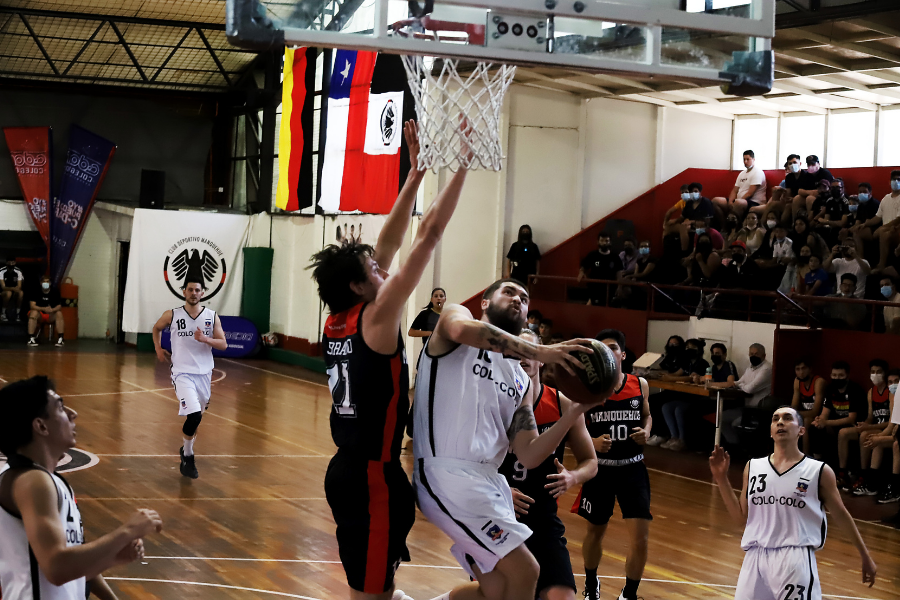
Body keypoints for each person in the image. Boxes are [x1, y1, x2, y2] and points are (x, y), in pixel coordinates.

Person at [308, 121, 468, 600]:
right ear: (360, 286)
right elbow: (429, 234)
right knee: (371, 593)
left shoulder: (341, 318)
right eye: (374, 270)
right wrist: (462, 164)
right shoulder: (377, 318)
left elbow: (390, 244)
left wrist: (417, 173)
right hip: (371, 476)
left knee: (381, 584)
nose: (384, 267)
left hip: (351, 469)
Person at [413, 278, 600, 600]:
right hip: (447, 474)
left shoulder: (520, 379)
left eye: (524, 298)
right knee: (526, 571)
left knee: (497, 590)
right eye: (509, 292)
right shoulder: (456, 321)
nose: (518, 299)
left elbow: (528, 454)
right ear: (485, 302)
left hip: (488, 483)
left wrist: (574, 412)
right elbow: (459, 329)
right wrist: (542, 350)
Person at [0, 376, 164, 599]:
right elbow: (56, 567)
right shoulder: (32, 482)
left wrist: (112, 557)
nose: (72, 414)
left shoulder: (48, 479)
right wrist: (127, 531)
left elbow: (69, 563)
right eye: (60, 407)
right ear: (41, 426)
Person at [709, 407, 877, 599]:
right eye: (775, 419)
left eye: (787, 418)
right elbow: (740, 518)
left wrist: (864, 555)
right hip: (755, 557)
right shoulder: (753, 467)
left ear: (801, 430)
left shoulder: (818, 471)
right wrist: (721, 478)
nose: (780, 422)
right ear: (771, 431)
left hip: (794, 559)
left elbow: (841, 514)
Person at [500, 329, 598, 600]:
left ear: (542, 358)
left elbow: (591, 461)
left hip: (543, 519)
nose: (523, 357)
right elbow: (468, 463)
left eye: (530, 351)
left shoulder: (561, 404)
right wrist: (498, 489)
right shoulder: (493, 402)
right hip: (497, 515)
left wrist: (573, 477)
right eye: (516, 350)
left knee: (562, 595)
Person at [575, 329, 652, 600]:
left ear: (622, 353)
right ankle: (592, 582)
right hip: (601, 469)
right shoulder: (588, 387)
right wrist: (592, 442)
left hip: (633, 467)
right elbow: (575, 425)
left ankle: (628, 594)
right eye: (602, 348)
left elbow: (647, 415)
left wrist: (647, 432)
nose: (607, 352)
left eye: (612, 347)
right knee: (595, 532)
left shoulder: (639, 384)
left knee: (640, 538)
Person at [151, 278, 227, 479]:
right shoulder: (172, 314)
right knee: (193, 415)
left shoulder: (211, 316)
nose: (194, 293)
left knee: (197, 417)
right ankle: (188, 455)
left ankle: (186, 449)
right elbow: (156, 328)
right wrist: (158, 347)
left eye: (197, 290)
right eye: (190, 289)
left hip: (204, 374)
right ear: (184, 291)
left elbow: (223, 344)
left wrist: (205, 339)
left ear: (203, 293)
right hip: (182, 373)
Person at [662, 343, 738, 452]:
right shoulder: (712, 368)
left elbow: (731, 383)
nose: (715, 355)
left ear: (724, 355)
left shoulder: (728, 365)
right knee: (667, 407)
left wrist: (711, 384)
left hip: (725, 401)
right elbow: (705, 380)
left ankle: (685, 440)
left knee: (684, 410)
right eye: (713, 353)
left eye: (718, 353)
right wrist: (698, 378)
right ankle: (674, 437)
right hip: (710, 399)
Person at [810, 361, 866, 486]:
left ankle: (842, 473)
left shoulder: (855, 390)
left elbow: (851, 419)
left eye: (840, 375)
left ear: (847, 376)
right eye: (834, 375)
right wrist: (820, 421)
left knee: (842, 432)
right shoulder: (830, 389)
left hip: (853, 426)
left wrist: (826, 422)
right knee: (815, 427)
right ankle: (816, 465)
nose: (837, 378)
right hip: (834, 424)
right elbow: (825, 412)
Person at [711, 344, 773, 447]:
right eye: (751, 354)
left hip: (758, 411)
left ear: (764, 355)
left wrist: (741, 385)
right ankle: (734, 446)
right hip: (746, 408)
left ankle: (740, 446)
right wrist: (739, 385)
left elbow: (749, 389)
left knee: (734, 422)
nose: (753, 356)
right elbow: (738, 382)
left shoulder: (766, 369)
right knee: (720, 417)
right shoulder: (750, 368)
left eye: (756, 354)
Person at [850, 363, 896, 497]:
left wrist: (877, 434)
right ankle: (865, 477)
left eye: (897, 381)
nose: (875, 375)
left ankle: (875, 482)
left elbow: (892, 424)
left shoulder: (891, 395)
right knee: (862, 434)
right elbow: (872, 417)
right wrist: (864, 425)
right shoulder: (872, 392)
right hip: (887, 429)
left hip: (889, 430)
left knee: (873, 438)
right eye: (891, 382)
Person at [855, 170, 900, 272]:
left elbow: (898, 219)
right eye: (894, 179)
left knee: (884, 233)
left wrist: (883, 227)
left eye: (899, 179)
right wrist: (864, 224)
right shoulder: (886, 198)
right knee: (858, 231)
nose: (896, 182)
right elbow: (878, 217)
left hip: (896, 231)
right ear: (889, 182)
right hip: (883, 229)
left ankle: (881, 265)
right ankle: (862, 262)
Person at [713, 149, 767, 220]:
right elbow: (735, 190)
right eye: (744, 159)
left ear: (753, 159)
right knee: (716, 200)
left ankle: (735, 228)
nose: (745, 162)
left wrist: (736, 202)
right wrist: (730, 202)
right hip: (739, 200)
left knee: (739, 203)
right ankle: (724, 227)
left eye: (748, 159)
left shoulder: (758, 172)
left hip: (754, 202)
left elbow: (750, 193)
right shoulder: (742, 173)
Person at [791, 359, 826, 455]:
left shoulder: (819, 382)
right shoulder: (797, 381)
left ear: (810, 369)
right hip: (804, 414)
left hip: (820, 417)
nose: (801, 372)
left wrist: (794, 413)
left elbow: (816, 411)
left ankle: (806, 456)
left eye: (803, 368)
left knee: (806, 420)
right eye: (798, 369)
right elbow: (794, 405)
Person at [578, 233, 623, 306]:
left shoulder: (615, 257)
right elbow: (584, 266)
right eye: (602, 240)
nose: (604, 243)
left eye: (606, 241)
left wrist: (620, 287)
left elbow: (619, 273)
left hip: (609, 289)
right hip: (594, 288)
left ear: (610, 242)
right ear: (598, 242)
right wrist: (581, 272)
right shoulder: (592, 254)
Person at [792, 155, 835, 222]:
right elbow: (800, 191)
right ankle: (795, 223)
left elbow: (825, 190)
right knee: (797, 199)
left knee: (810, 198)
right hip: (811, 196)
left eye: (813, 164)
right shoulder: (806, 175)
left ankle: (810, 224)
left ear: (818, 164)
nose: (811, 166)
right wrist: (810, 192)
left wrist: (812, 193)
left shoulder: (825, 173)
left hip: (824, 198)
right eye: (809, 164)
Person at [26, 276, 64, 348]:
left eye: (47, 282)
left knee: (59, 313)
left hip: (50, 315)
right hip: (40, 314)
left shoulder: (55, 291)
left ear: (50, 283)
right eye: (44, 281)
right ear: (41, 283)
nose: (45, 283)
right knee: (33, 313)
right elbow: (32, 306)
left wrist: (52, 310)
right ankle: (31, 338)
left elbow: (59, 306)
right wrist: (43, 308)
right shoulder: (35, 291)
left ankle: (61, 338)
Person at [0, 256, 24, 323]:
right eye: (9, 262)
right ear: (6, 262)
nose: (11, 264)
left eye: (13, 262)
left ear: (15, 262)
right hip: (3, 292)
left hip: (14, 292)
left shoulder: (18, 271)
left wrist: (14, 289)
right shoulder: (2, 271)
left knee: (21, 293)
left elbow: (19, 286)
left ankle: (17, 314)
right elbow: (3, 287)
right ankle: (3, 313)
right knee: (8, 293)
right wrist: (12, 288)